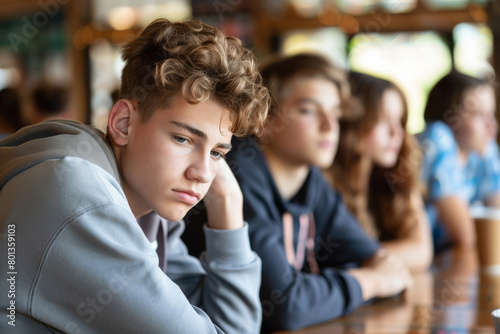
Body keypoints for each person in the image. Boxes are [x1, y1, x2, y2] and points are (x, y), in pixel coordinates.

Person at [0, 18, 270, 333]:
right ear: (123, 123)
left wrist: (227, 200)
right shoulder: (79, 197)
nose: (203, 173)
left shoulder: (148, 206)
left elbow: (225, 323)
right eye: (182, 139)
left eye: (217, 153)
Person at [185, 53, 412, 332]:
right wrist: (371, 282)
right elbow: (286, 306)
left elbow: (377, 259)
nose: (329, 126)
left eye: (336, 114)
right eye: (308, 110)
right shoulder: (238, 174)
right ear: (264, 122)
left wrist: (366, 277)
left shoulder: (312, 180)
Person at [327, 72, 433, 272]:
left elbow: (421, 251)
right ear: (353, 122)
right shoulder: (323, 183)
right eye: (383, 120)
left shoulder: (396, 178)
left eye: (400, 121)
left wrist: (366, 258)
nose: (397, 133)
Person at [417, 70, 500, 252]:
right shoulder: (438, 137)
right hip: (418, 262)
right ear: (450, 118)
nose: (491, 125)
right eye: (479, 115)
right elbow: (466, 236)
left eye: (491, 114)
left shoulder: (483, 148)